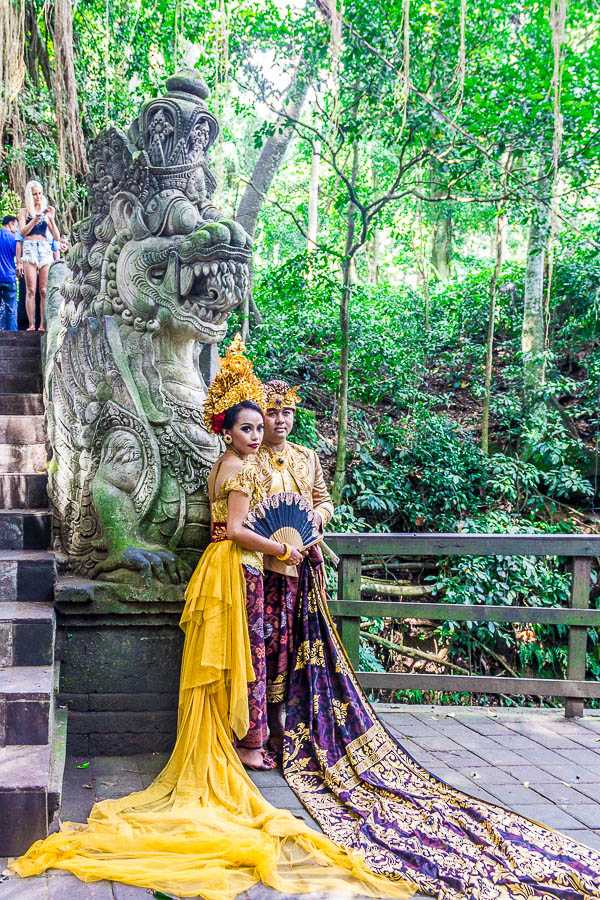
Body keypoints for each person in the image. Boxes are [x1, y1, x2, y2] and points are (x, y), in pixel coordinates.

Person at [11, 335, 405, 900]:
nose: (260, 433)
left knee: (238, 652)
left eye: (261, 424)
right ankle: (241, 743)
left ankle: (243, 739)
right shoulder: (241, 470)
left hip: (227, 564)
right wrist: (281, 551)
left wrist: (291, 540)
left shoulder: (232, 466)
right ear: (229, 430)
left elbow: (279, 512)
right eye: (249, 426)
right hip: (235, 564)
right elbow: (243, 529)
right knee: (238, 652)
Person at [251, 379, 334, 756]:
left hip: (304, 565)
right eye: (271, 412)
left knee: (301, 640)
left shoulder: (308, 457)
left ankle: (298, 718)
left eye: (287, 412)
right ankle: (264, 721)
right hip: (264, 567)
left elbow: (325, 501)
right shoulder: (248, 457)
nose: (280, 420)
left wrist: (316, 518)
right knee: (268, 643)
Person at [18, 180, 60, 331]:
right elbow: (22, 232)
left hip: (44, 248)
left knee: (43, 289)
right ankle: (31, 324)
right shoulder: (24, 212)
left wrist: (51, 219)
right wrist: (34, 220)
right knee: (31, 290)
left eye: (40, 194)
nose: (38, 197)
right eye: (35, 194)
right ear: (30, 195)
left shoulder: (47, 211)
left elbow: (56, 236)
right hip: (29, 247)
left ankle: (42, 324)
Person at [0, 215, 21, 331]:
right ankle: (12, 335)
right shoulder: (14, 239)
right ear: (10, 224)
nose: (16, 229)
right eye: (16, 226)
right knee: (11, 309)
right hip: (10, 277)